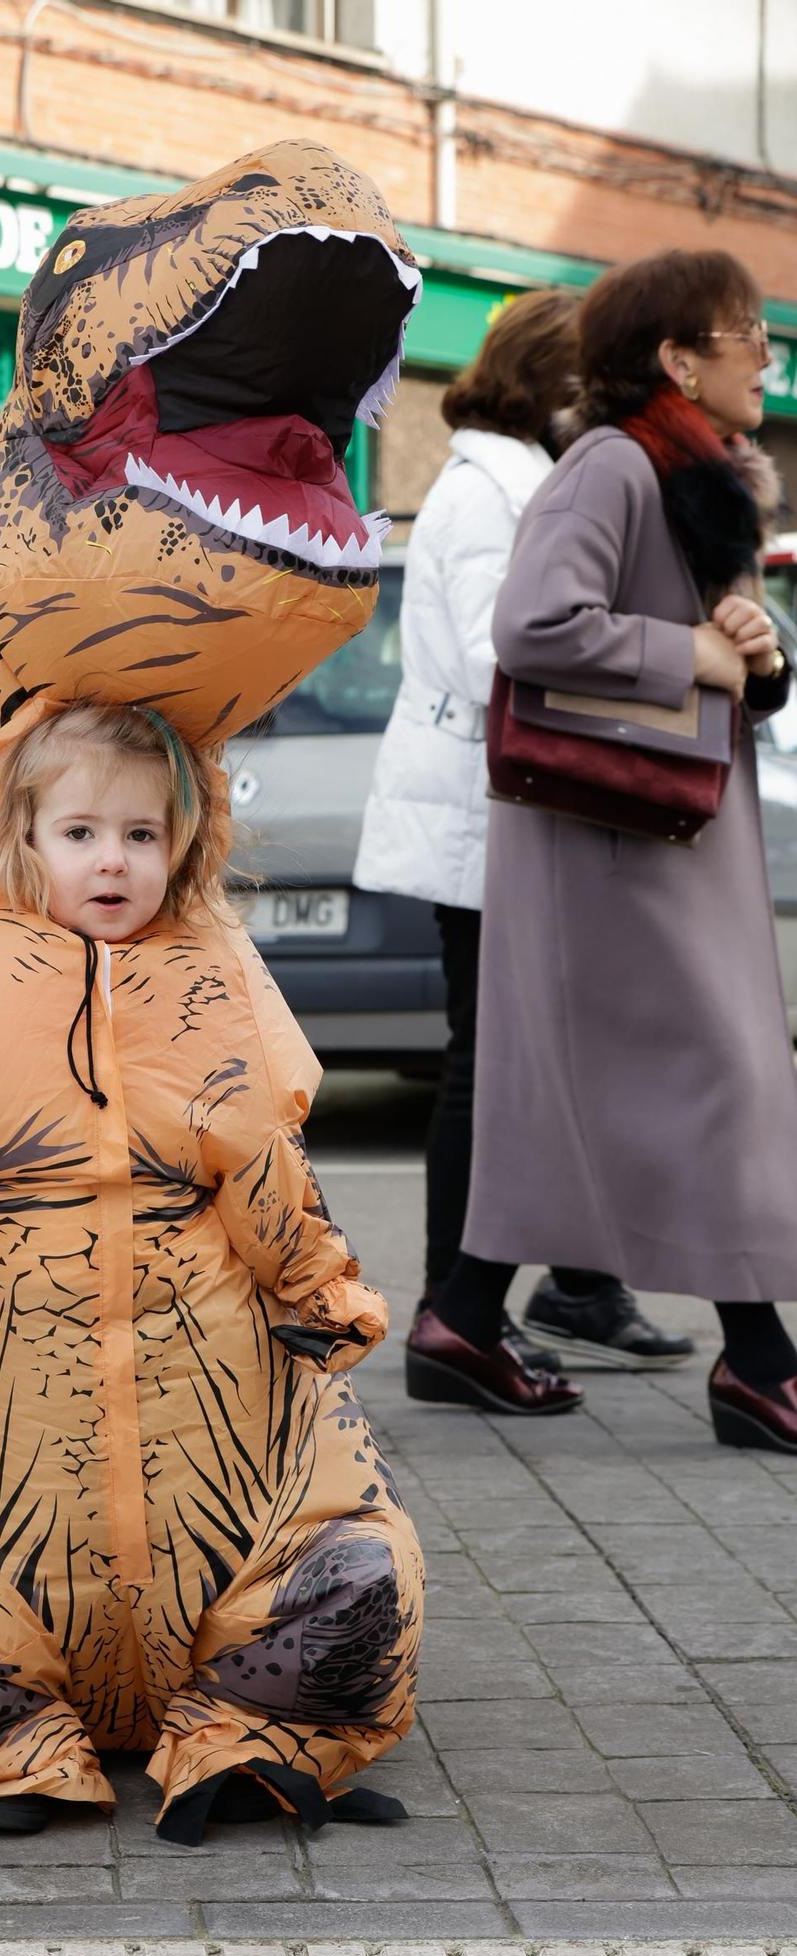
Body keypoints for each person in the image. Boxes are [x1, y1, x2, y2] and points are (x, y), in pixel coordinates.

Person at [0, 700, 423, 1842]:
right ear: (23, 838)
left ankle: (259, 1725)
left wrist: (327, 1293)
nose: (114, 859)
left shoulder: (210, 979)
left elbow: (266, 1167)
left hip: (210, 1460)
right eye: (83, 832)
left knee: (346, 1576)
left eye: (143, 836)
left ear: (183, 847)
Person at [407, 248, 797, 1453]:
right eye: (749, 338)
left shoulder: (700, 473)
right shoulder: (612, 463)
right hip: (612, 845)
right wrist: (692, 654)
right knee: (719, 1076)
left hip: (665, 832)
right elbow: (534, 625)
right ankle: (760, 1358)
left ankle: (462, 1319)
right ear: (680, 358)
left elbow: (724, 657)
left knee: (593, 1092)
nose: (768, 362)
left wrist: (755, 646)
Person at [357, 290, 687, 1389]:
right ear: (551, 388)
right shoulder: (483, 498)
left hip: (508, 810)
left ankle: (566, 1287)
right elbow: (507, 658)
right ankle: (456, 1311)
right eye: (585, 390)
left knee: (546, 1057)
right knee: (483, 1066)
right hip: (482, 816)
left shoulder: (514, 487)